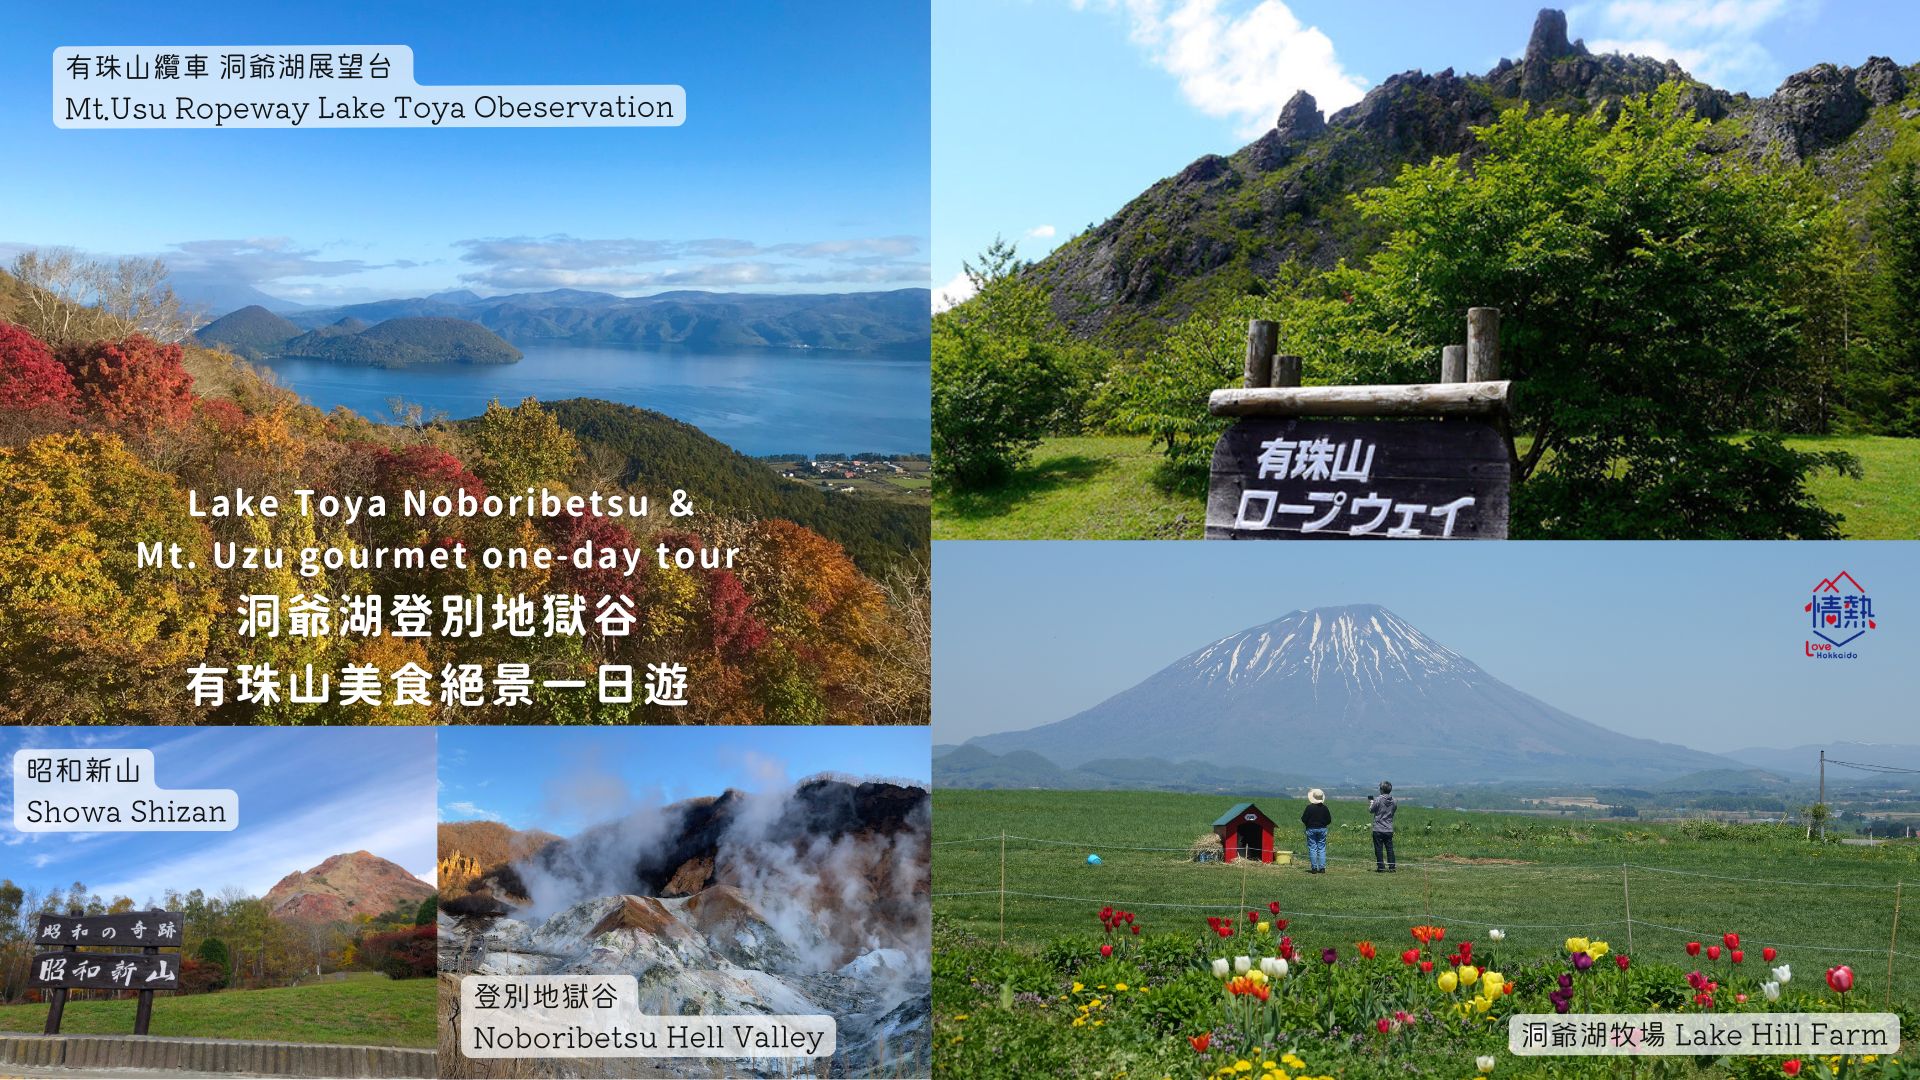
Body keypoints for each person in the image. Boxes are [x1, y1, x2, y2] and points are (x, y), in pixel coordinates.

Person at [1300, 788, 1331, 874]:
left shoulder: (1309, 808)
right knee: (1321, 848)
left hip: (1311, 829)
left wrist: (1308, 824)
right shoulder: (1325, 808)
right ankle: (1322, 868)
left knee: (1312, 848)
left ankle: (1314, 868)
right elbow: (1329, 820)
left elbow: (1304, 819)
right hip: (1322, 829)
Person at [1369, 781, 1397, 872]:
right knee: (1390, 849)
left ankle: (1381, 867)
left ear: (1381, 790)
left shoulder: (1378, 799)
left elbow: (1371, 810)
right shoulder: (1394, 801)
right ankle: (1392, 867)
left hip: (1378, 828)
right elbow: (1393, 811)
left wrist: (1371, 803)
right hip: (1388, 828)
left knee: (1379, 849)